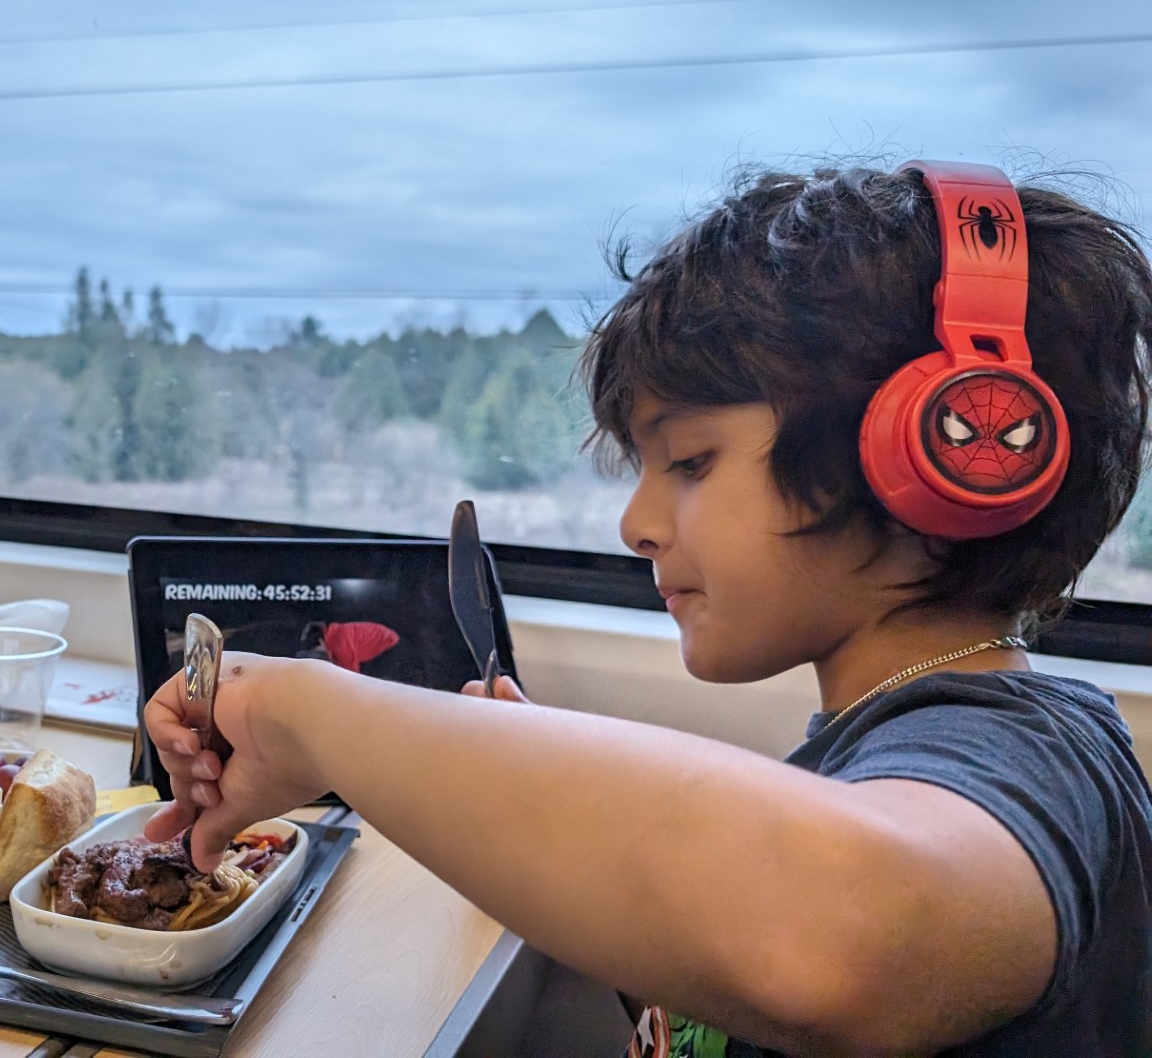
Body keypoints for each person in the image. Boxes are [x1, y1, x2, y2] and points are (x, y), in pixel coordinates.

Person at [145, 163, 1152, 1055]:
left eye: (692, 461)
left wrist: (315, 713)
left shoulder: (1026, 763)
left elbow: (839, 943)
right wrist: (517, 786)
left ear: (930, 462)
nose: (635, 522)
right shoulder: (883, 738)